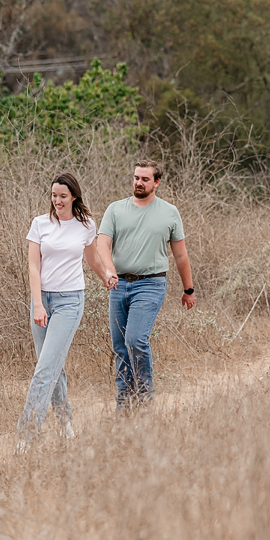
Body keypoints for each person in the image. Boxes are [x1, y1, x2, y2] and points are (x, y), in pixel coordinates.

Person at [17, 173, 114, 445]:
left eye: (62, 196)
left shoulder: (85, 226)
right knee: (51, 366)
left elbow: (92, 258)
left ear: (73, 196)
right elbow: (33, 267)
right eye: (53, 195)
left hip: (70, 301)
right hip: (42, 301)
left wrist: (106, 276)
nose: (57, 201)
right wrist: (38, 305)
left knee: (45, 368)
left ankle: (27, 436)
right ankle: (64, 423)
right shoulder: (39, 224)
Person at [97, 160, 195, 408]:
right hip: (119, 284)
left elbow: (181, 255)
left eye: (145, 179)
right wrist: (108, 271)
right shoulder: (116, 210)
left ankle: (145, 398)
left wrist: (188, 289)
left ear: (157, 182)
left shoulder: (169, 212)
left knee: (135, 338)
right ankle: (124, 404)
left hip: (151, 284)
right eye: (136, 178)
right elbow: (102, 244)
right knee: (120, 345)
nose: (138, 183)